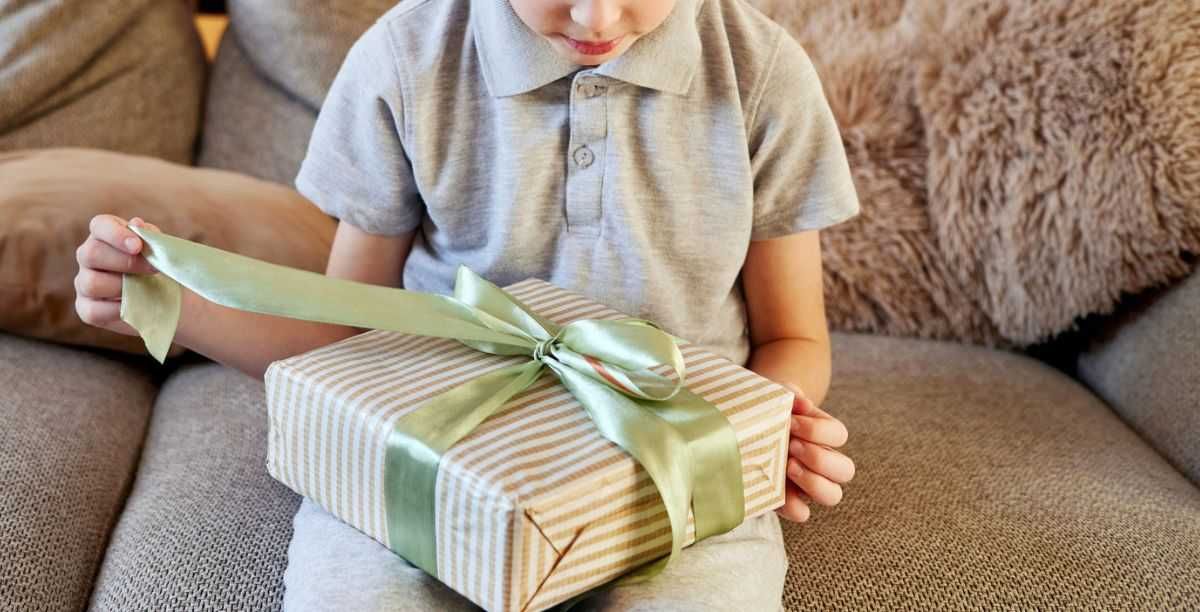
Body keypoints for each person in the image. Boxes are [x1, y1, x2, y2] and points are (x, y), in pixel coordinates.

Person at [74, 0, 860, 608]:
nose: (596, 18)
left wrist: (777, 424)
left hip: (677, 460)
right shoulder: (407, 59)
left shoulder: (763, 74)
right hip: (438, 444)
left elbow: (794, 334)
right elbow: (350, 341)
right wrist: (174, 306)